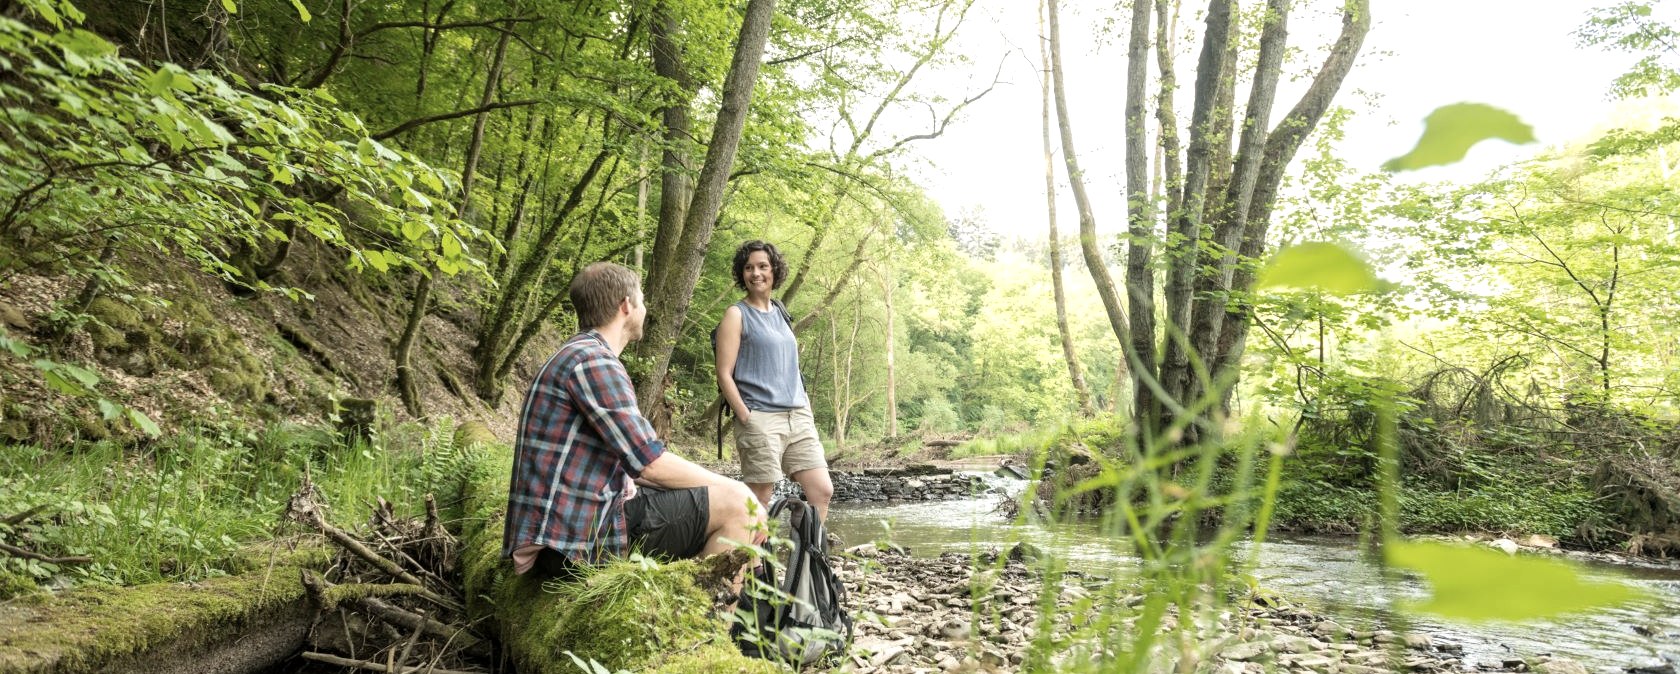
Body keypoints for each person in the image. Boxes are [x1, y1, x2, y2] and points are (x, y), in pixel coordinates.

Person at [503, 262, 765, 581]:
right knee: (739, 508)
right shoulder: (594, 362)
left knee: (719, 502)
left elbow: (634, 465)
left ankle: (688, 604)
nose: (644, 307)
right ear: (626, 306)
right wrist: (741, 491)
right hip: (572, 545)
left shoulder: (577, 354)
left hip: (560, 537)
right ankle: (708, 625)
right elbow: (650, 464)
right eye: (641, 299)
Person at [714, 241, 835, 520]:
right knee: (759, 499)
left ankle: (805, 561)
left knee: (821, 490)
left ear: (774, 271)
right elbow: (723, 373)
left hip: (798, 415)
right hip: (761, 417)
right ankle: (750, 563)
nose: (756, 273)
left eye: (762, 266)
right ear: (741, 274)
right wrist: (746, 415)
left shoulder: (781, 311)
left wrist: (805, 405)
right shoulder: (736, 314)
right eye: (749, 268)